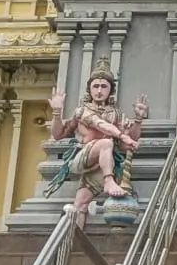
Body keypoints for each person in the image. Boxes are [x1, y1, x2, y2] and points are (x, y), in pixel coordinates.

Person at [46, 57, 149, 230]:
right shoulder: (82, 110)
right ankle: (109, 181)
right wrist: (57, 112)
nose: (99, 90)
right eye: (95, 86)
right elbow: (58, 134)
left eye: (104, 86)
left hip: (101, 166)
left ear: (111, 90)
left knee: (80, 205)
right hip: (83, 158)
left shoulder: (115, 114)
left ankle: (72, 242)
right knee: (106, 143)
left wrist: (138, 120)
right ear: (89, 89)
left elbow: (126, 146)